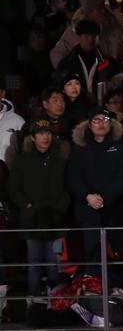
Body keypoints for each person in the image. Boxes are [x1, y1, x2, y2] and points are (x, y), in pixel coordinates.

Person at [7, 119, 70, 302]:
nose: (45, 137)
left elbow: (68, 186)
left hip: (55, 218)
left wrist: (61, 206)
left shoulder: (60, 159)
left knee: (54, 264)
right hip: (31, 219)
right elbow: (13, 188)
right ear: (33, 138)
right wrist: (26, 205)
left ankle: (56, 302)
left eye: (48, 133)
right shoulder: (22, 160)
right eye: (41, 134)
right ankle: (33, 300)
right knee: (34, 263)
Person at [66, 107, 123, 265]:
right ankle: (92, 285)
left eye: (105, 120)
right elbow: (73, 178)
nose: (101, 124)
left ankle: (117, 286)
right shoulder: (79, 149)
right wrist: (88, 196)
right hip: (87, 209)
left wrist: (105, 198)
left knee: (118, 252)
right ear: (89, 125)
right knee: (91, 252)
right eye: (96, 120)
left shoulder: (121, 147)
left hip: (115, 208)